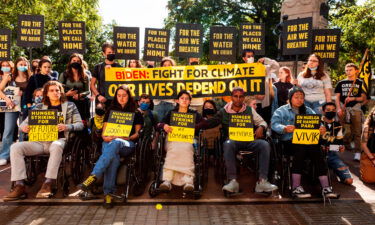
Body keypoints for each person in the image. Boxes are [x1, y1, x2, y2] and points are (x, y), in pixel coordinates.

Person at [3, 81, 84, 201]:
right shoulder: (39, 107)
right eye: (51, 90)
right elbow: (22, 125)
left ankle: (48, 183)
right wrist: (24, 128)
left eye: (57, 90)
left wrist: (67, 127)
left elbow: (80, 125)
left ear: (61, 92)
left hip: (58, 140)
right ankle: (19, 185)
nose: (55, 93)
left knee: (56, 145)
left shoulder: (70, 105)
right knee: (15, 147)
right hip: (39, 142)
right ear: (46, 93)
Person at [80, 85, 143, 208]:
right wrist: (105, 137)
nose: (121, 98)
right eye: (119, 95)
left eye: (124, 95)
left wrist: (128, 138)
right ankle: (108, 194)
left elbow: (137, 134)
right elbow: (104, 134)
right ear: (116, 97)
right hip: (109, 142)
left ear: (129, 96)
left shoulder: (136, 112)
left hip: (126, 143)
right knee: (112, 157)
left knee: (116, 143)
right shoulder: (110, 111)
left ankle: (94, 176)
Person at [206, 87, 278, 194]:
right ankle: (232, 181)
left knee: (264, 144)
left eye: (241, 97)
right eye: (235, 96)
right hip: (233, 142)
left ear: (243, 98)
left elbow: (262, 122)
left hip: (249, 140)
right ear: (231, 97)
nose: (238, 99)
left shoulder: (249, 110)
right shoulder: (224, 111)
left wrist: (261, 127)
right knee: (228, 144)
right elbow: (210, 122)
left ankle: (262, 181)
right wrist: (194, 125)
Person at [271, 86, 338, 198]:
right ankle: (296, 187)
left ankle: (326, 188)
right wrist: (284, 128)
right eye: (296, 97)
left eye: (302, 97)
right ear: (290, 98)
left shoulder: (308, 110)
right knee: (301, 147)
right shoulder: (281, 110)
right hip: (289, 142)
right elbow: (274, 124)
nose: (299, 100)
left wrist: (322, 128)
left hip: (309, 141)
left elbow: (318, 123)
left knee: (317, 150)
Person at [158, 90, 205, 192]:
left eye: (187, 98)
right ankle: (167, 180)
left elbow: (204, 123)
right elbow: (158, 124)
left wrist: (194, 127)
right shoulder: (171, 113)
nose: (184, 100)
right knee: (174, 147)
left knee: (187, 148)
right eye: (182, 98)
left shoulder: (194, 114)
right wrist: (164, 125)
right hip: (173, 140)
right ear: (177, 100)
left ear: (189, 101)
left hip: (188, 140)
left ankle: (188, 181)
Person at [0, 57, 31, 166]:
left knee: (23, 130)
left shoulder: (30, 77)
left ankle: (21, 154)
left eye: (24, 64)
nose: (22, 66)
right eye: (20, 64)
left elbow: (35, 91)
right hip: (11, 106)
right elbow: (0, 89)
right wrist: (7, 99)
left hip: (25, 106)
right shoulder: (10, 77)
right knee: (8, 130)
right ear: (16, 65)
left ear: (27, 65)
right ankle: (4, 155)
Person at [335, 63, 366, 161]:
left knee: (357, 131)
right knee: (339, 130)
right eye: (347, 70)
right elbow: (337, 97)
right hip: (343, 108)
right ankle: (337, 151)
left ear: (356, 70)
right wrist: (339, 108)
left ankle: (357, 152)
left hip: (355, 109)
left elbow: (363, 98)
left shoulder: (360, 83)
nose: (348, 72)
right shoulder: (341, 83)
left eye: (350, 70)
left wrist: (353, 98)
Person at [321, 102, 353, 185]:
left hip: (332, 155)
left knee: (349, 181)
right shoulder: (317, 123)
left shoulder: (338, 125)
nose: (331, 112)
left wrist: (341, 147)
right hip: (318, 155)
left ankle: (336, 170)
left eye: (333, 110)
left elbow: (340, 145)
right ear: (323, 111)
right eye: (328, 110)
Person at [59, 53, 91, 121]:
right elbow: (58, 90)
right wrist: (67, 94)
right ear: (70, 62)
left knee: (81, 122)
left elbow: (88, 91)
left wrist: (80, 95)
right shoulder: (64, 75)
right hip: (67, 102)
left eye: (78, 61)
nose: (75, 62)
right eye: (74, 60)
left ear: (81, 63)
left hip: (81, 103)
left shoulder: (85, 76)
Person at [90, 43, 121, 108]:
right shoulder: (98, 67)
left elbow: (123, 84)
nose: (111, 54)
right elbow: (92, 84)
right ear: (104, 54)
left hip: (116, 100)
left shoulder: (119, 67)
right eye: (109, 52)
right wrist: (98, 96)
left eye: (113, 52)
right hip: (101, 100)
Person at [360, 106, 375, 183]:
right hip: (369, 155)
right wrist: (373, 159)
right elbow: (363, 145)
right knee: (369, 179)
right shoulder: (367, 127)